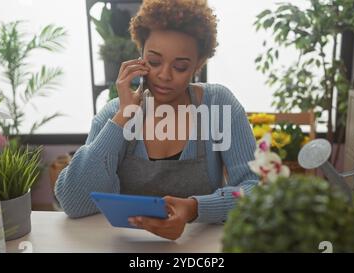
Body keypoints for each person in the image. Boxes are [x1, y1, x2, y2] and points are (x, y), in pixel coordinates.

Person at [55, 0, 259, 240]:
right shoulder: (114, 114)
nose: (164, 75)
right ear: (140, 55)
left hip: (199, 249)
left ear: (198, 64)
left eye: (180, 66)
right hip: (128, 247)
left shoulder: (218, 104)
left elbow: (255, 190)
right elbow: (74, 203)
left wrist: (195, 209)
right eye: (154, 62)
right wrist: (122, 120)